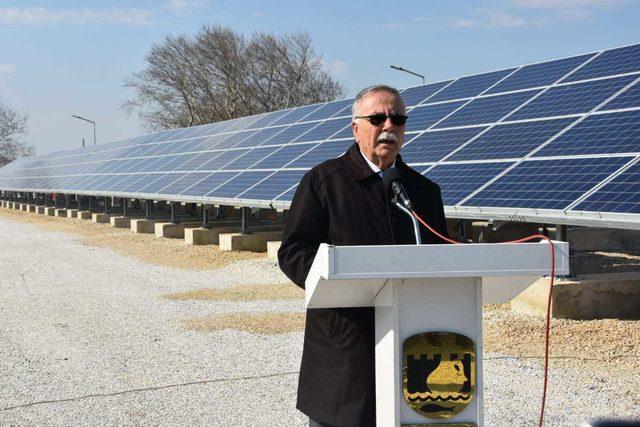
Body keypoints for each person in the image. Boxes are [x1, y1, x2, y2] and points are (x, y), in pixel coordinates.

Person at [278, 85, 449, 426]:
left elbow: (442, 260)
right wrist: (339, 279)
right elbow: (294, 251)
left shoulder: (423, 192)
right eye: (377, 117)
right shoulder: (324, 183)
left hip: (412, 346)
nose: (389, 125)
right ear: (356, 128)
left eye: (397, 118)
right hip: (346, 348)